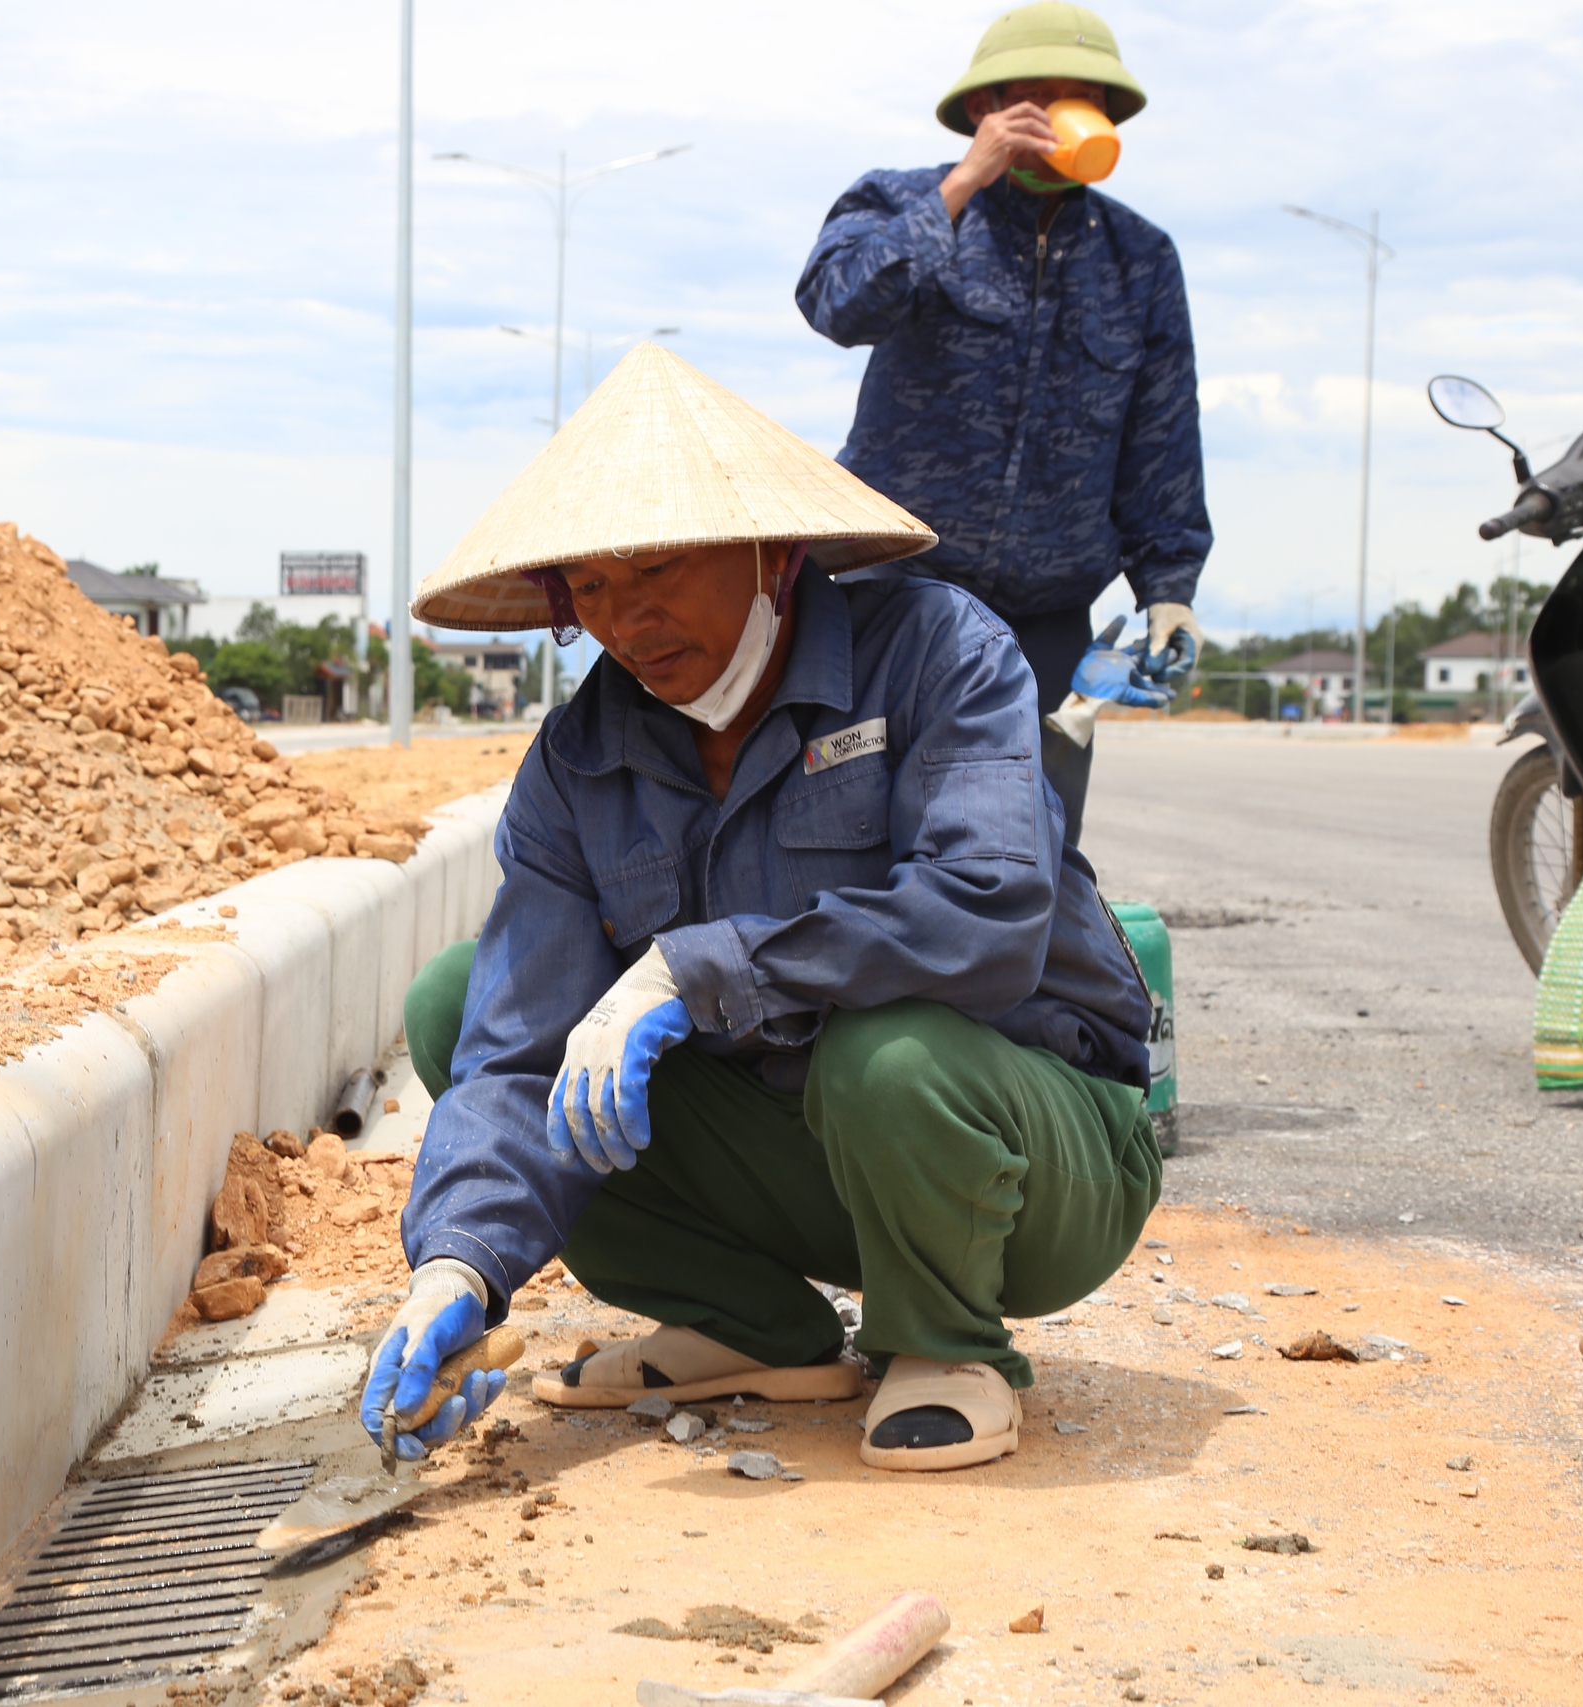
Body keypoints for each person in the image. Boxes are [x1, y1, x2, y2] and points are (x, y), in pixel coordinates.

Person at [358, 343, 1161, 1475]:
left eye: (656, 571)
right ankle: (750, 1327)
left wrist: (699, 965)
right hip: (806, 1158)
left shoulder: (938, 653)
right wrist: (458, 1269)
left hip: (1026, 1155)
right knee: (454, 1005)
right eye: (589, 587)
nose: (624, 621)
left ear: (769, 553)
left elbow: (988, 912)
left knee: (886, 1051)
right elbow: (513, 1053)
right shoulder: (581, 759)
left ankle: (944, 1345)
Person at [794, 1, 1209, 836]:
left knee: (1029, 851)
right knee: (858, 841)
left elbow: (1161, 438)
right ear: (985, 107)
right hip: (892, 593)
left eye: (1082, 96)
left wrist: (1169, 591)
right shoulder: (903, 201)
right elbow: (835, 303)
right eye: (1040, 96)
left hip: (1046, 621)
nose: (1063, 115)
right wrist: (961, 186)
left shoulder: (1141, 260)